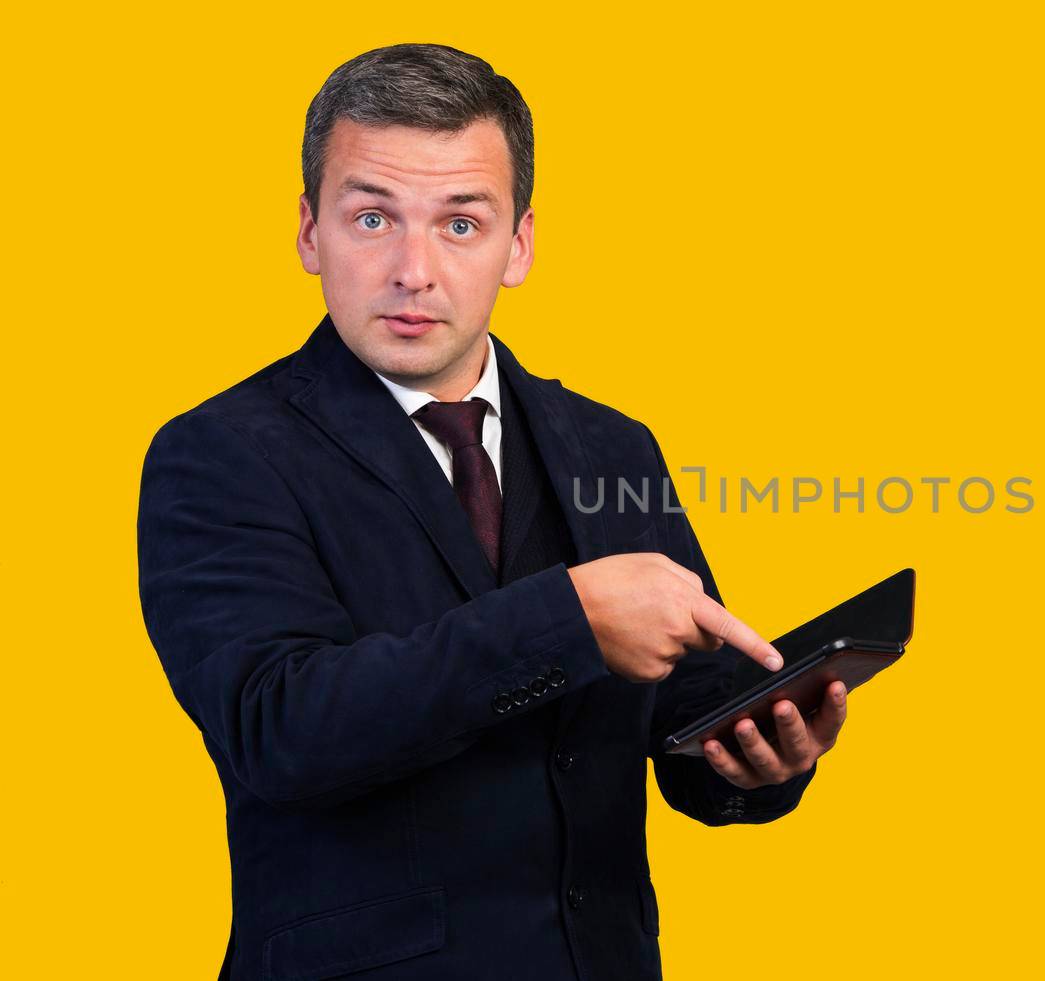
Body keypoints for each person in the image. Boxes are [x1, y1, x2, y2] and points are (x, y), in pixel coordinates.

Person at [135, 43, 847, 981]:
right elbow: (280, 728)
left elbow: (682, 725)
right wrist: (571, 620)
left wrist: (756, 757)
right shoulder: (220, 453)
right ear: (310, 232)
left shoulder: (612, 447)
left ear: (519, 245)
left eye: (461, 224)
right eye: (373, 216)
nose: (413, 269)